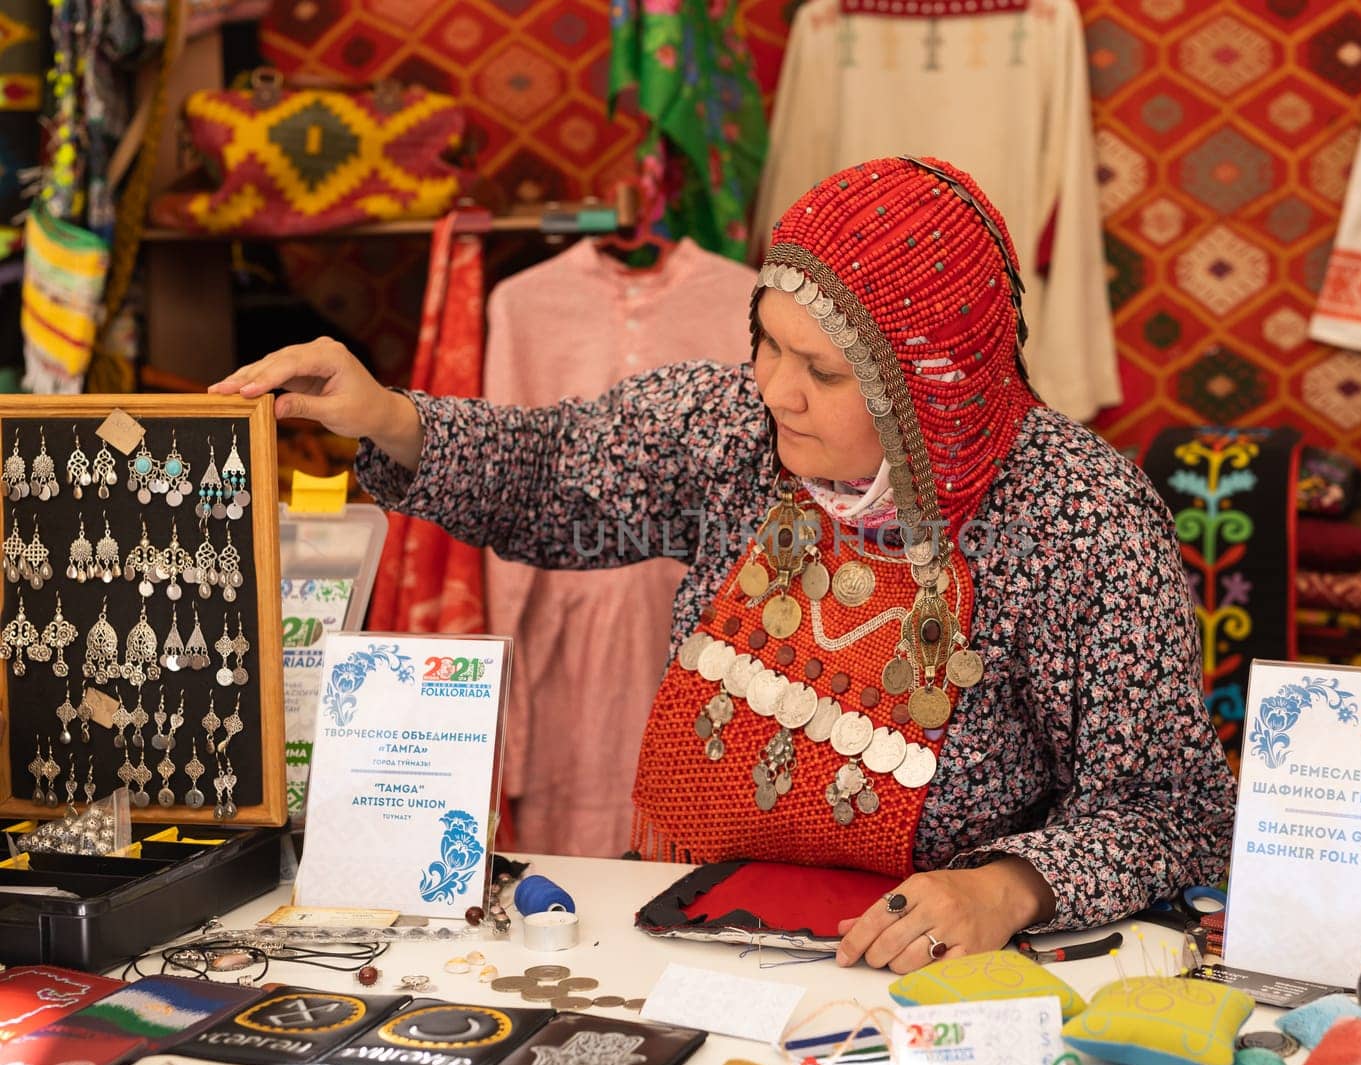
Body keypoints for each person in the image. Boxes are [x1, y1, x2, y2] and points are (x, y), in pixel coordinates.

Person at [212, 156, 1234, 974]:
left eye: (824, 371)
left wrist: (1008, 883)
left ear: (934, 384)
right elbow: (549, 474)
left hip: (950, 972)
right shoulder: (727, 427)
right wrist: (385, 413)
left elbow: (1167, 805)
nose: (776, 391)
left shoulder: (1077, 518)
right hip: (715, 931)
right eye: (765, 343)